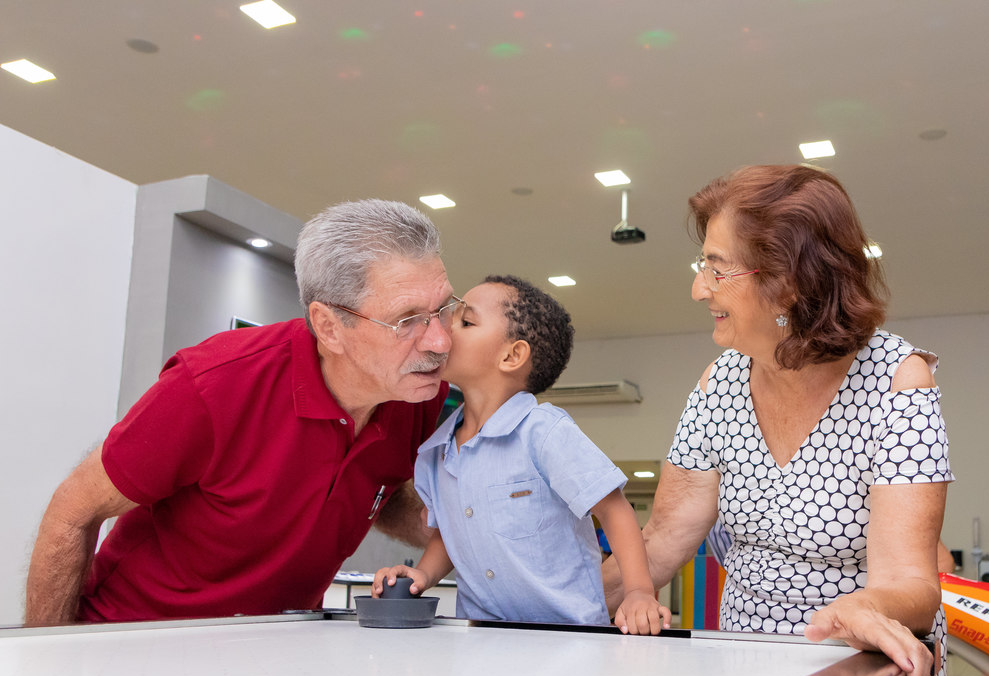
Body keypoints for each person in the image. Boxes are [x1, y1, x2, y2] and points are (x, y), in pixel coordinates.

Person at [601, 164, 954, 676]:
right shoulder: (720, 384)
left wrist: (862, 608)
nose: (699, 288)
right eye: (701, 265)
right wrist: (550, 599)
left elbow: (911, 581)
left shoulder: (898, 381)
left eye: (718, 268)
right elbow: (661, 541)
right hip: (748, 675)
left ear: (789, 281)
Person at [25, 199, 455, 624]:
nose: (440, 342)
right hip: (138, 637)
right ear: (328, 327)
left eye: (443, 310)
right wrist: (49, 661)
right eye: (407, 320)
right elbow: (71, 511)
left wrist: (462, 527)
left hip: (272, 645)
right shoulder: (212, 385)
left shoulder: (415, 393)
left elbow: (376, 492)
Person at [372, 275, 670, 635]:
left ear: (512, 356)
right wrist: (423, 573)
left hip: (567, 638)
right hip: (483, 635)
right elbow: (449, 534)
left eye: (466, 321)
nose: (447, 327)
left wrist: (638, 592)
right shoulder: (436, 451)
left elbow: (614, 509)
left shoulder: (543, 432)